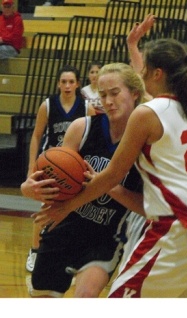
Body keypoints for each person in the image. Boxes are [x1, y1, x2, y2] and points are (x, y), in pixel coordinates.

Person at [33, 0, 187, 298]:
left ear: (157, 74)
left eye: (145, 71)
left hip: (175, 227)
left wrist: (66, 206)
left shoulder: (148, 114)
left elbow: (113, 174)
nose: (140, 75)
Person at [21, 62, 147, 298]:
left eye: (115, 93)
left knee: (85, 297)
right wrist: (29, 188)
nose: (108, 101)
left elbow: (145, 207)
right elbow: (52, 181)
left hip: (105, 236)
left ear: (135, 93)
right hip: (63, 226)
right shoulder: (83, 128)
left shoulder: (146, 143)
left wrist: (106, 185)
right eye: (103, 94)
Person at [25, 65, 96, 273]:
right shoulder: (47, 105)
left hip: (73, 169)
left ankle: (69, 256)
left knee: (72, 212)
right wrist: (31, 166)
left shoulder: (86, 108)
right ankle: (35, 251)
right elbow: (37, 135)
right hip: (48, 167)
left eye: (71, 82)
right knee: (45, 208)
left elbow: (92, 139)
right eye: (63, 82)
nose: (67, 85)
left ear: (77, 84)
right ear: (58, 84)